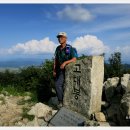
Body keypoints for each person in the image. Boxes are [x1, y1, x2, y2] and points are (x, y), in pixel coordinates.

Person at [53, 32, 77, 109]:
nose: (60, 39)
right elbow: (56, 59)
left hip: (67, 70)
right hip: (59, 70)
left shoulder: (70, 48)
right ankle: (63, 99)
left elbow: (74, 59)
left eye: (62, 37)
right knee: (59, 85)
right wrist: (54, 70)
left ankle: (61, 101)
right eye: (59, 37)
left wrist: (65, 62)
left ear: (66, 38)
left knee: (57, 85)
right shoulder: (57, 48)